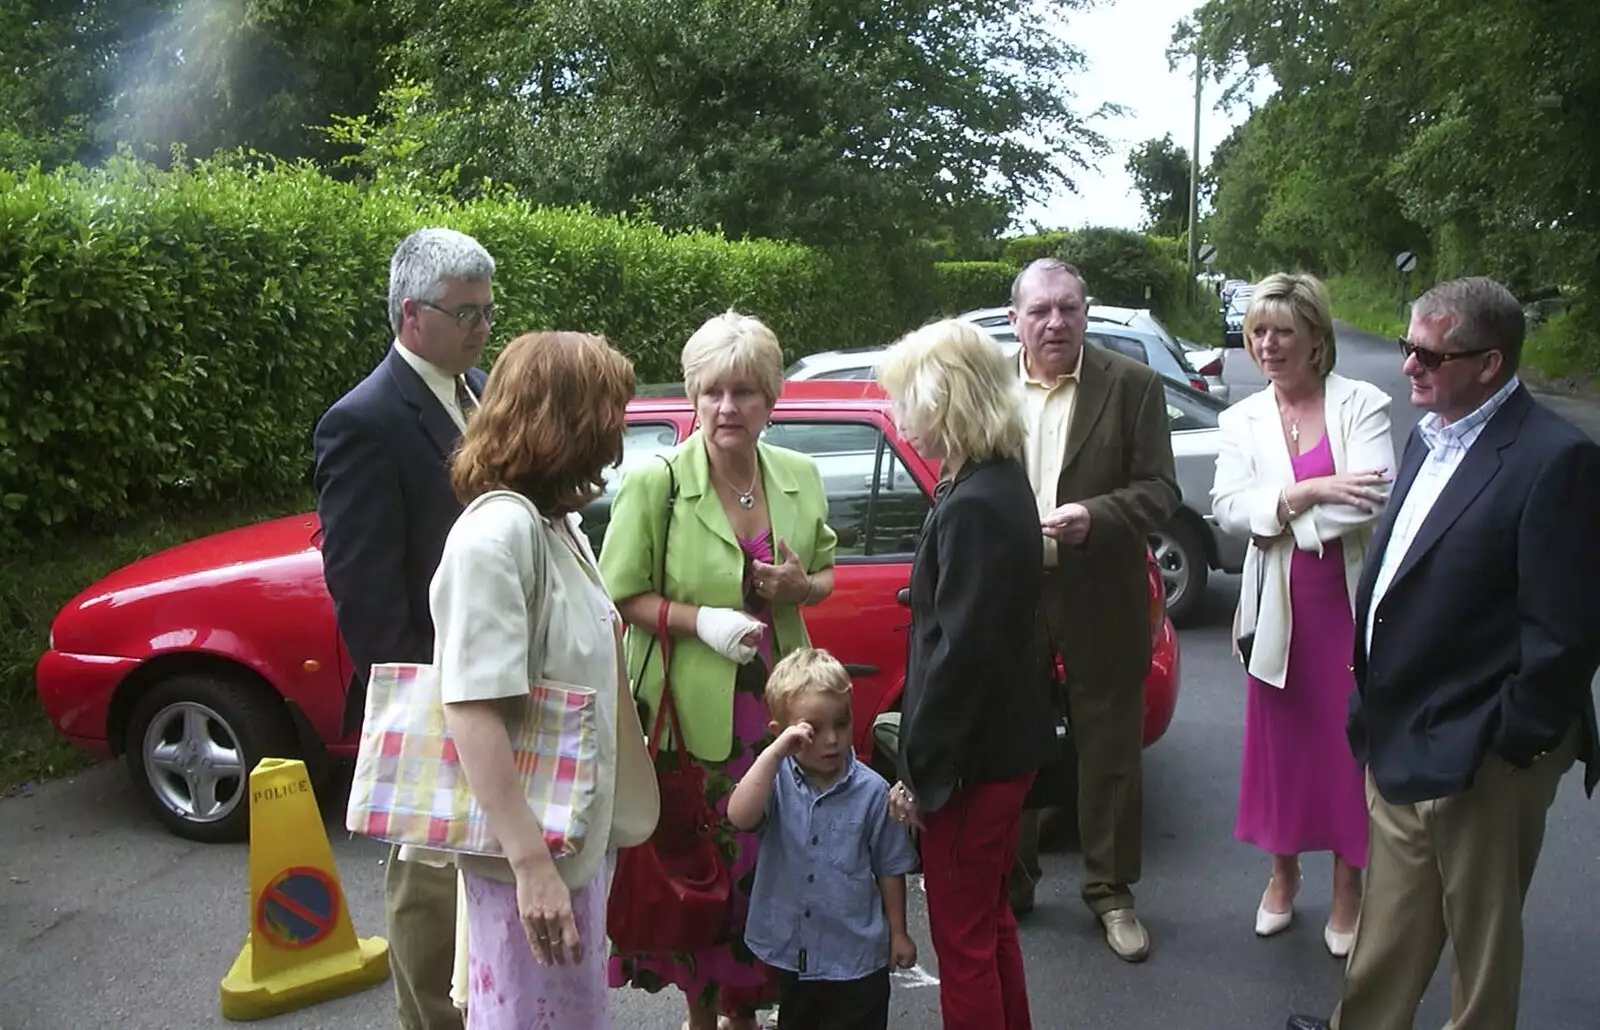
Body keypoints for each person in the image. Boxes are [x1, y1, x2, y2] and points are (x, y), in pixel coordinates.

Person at [1287, 277, 1600, 1030]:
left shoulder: (1557, 460)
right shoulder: (1430, 433)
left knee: (1480, 942)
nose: (1408, 367)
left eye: (1428, 353)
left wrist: (1511, 742)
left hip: (1486, 749)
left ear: (1489, 363)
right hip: (1401, 726)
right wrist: (1369, 698)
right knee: (1391, 923)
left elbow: (1565, 630)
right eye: (1406, 347)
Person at [603, 311, 839, 1030]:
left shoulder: (798, 475)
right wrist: (699, 620)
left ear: (772, 400)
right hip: (690, 718)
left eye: (744, 392)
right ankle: (702, 1016)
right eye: (711, 392)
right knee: (705, 867)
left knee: (769, 868)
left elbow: (825, 572)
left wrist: (801, 590)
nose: (727, 408)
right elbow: (619, 593)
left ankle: (747, 1004)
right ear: (693, 398)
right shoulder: (658, 484)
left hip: (782, 713)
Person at [429, 331, 659, 1028]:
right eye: (610, 408)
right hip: (533, 856)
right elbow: (472, 708)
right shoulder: (496, 536)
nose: (621, 425)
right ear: (568, 419)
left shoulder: (554, 525)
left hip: (566, 845)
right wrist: (530, 866)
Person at [313, 226, 494, 1030]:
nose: (484, 328)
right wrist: (429, 702)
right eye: (469, 314)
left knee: (483, 890)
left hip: (491, 681)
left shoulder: (478, 387)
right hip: (431, 695)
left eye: (489, 311)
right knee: (428, 897)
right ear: (413, 316)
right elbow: (364, 591)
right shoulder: (364, 420)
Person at [878, 319, 1058, 1030]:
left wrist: (919, 773)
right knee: (988, 924)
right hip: (1002, 752)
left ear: (945, 400)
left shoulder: (977, 503)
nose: (900, 418)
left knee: (963, 941)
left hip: (973, 764)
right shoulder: (996, 482)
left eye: (908, 401)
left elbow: (960, 661)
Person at [1210, 273, 1394, 957]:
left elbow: (1372, 500)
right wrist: (1308, 490)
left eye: (1283, 330)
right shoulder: (1240, 419)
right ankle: (1282, 874)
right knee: (1283, 750)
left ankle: (1349, 886)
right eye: (1259, 330)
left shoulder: (1363, 404)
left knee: (1349, 750)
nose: (1267, 344)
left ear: (1317, 338)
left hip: (1344, 607)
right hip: (1276, 612)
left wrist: (1277, 513)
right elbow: (1229, 509)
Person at [1005, 259, 1179, 962]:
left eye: (1069, 309)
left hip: (1100, 593)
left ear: (1087, 312)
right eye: (1041, 310)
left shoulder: (1132, 385)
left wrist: (1096, 516)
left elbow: (1160, 491)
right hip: (1014, 596)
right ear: (1014, 317)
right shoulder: (987, 387)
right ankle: (1011, 885)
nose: (1055, 323)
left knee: (1109, 752)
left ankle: (1111, 893)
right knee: (1011, 743)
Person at [726, 647, 918, 1030]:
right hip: (798, 955)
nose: (831, 739)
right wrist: (776, 752)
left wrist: (898, 933)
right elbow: (739, 815)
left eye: (842, 724)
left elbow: (889, 868)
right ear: (784, 734)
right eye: (814, 730)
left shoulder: (872, 792)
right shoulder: (775, 782)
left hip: (858, 956)